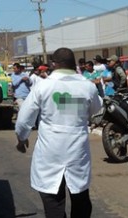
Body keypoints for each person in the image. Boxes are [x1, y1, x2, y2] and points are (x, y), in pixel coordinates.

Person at [15, 47, 102, 218]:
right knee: (80, 197)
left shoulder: (43, 86)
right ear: (74, 64)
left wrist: (22, 138)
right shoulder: (87, 87)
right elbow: (97, 111)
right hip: (77, 152)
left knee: (53, 201)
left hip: (50, 153)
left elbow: (24, 120)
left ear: (54, 64)